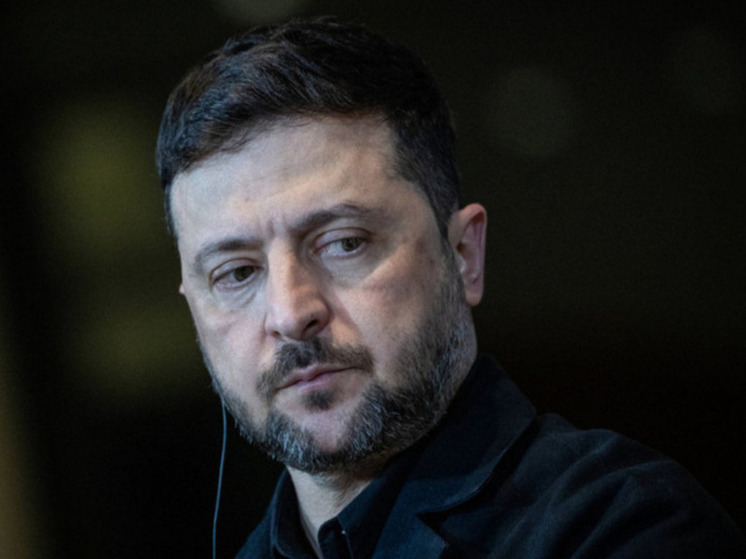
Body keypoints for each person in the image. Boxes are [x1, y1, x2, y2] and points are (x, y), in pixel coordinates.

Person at [156, 16, 744, 559]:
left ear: (464, 255)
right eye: (236, 273)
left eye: (344, 242)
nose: (290, 312)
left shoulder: (623, 526)